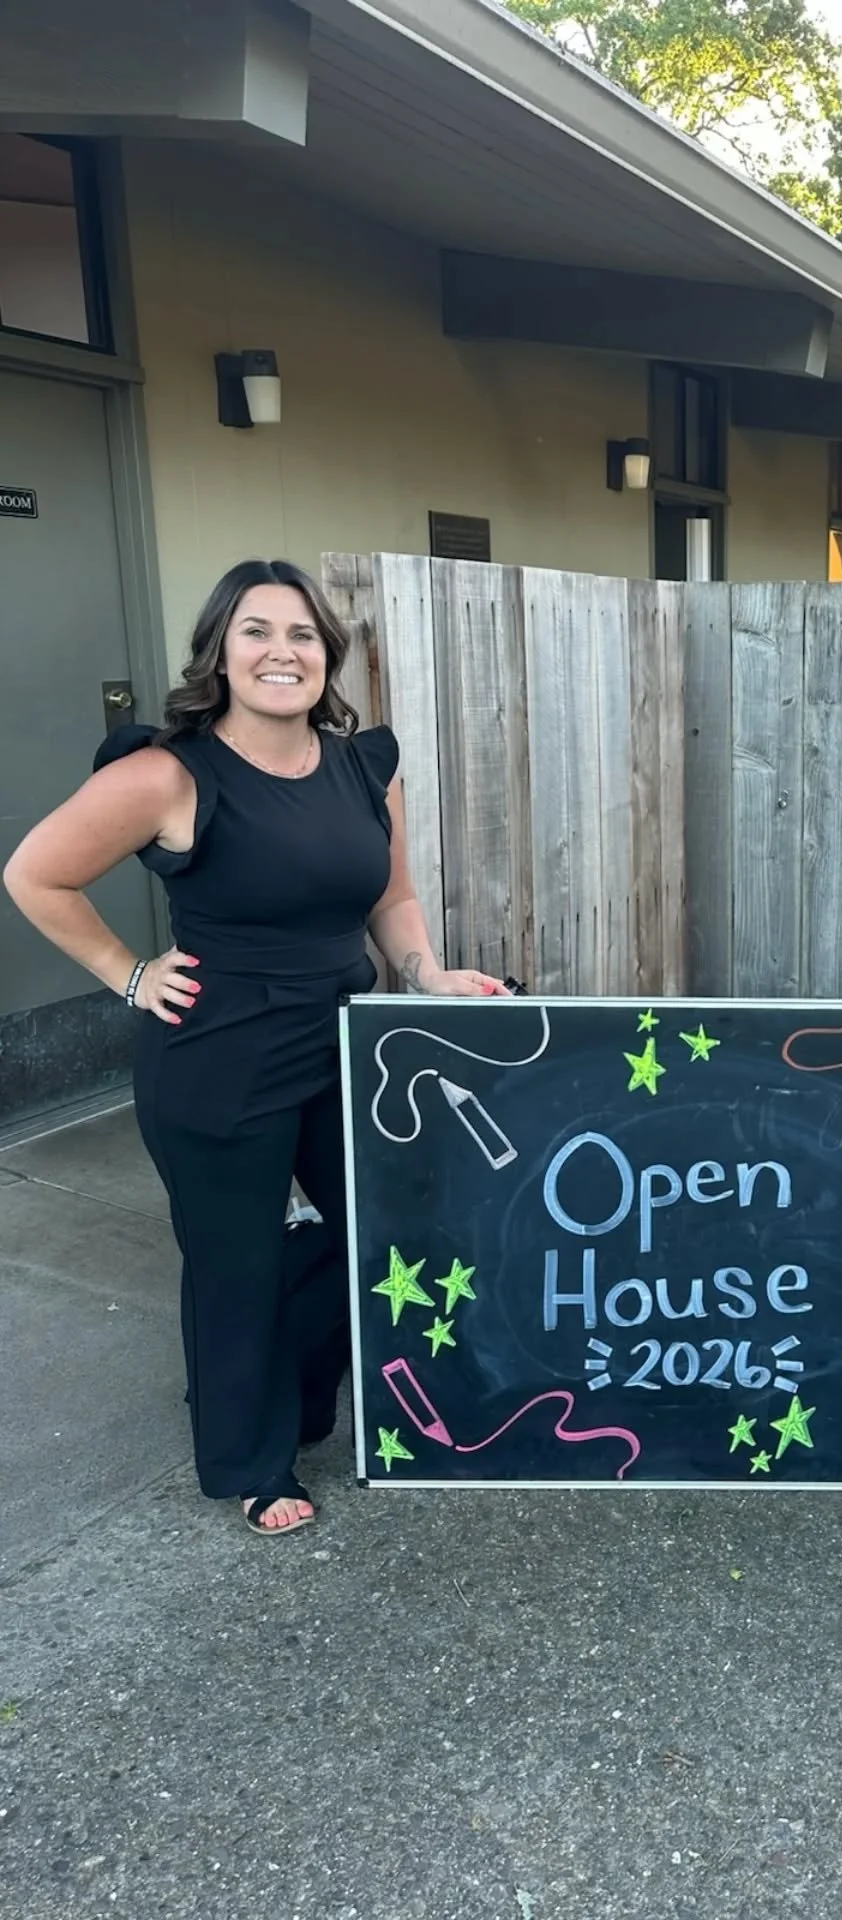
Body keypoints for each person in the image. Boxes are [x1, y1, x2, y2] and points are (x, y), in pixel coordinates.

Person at [4, 559, 507, 1537]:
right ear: (221, 655)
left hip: (343, 1037)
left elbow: (390, 897)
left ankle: (295, 1393)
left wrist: (425, 972)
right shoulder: (166, 774)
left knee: (382, 1233)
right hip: (218, 1049)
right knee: (235, 1259)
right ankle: (253, 1459)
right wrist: (130, 975)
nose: (283, 651)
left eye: (303, 634)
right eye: (257, 632)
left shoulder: (365, 769)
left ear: (329, 654)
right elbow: (35, 875)